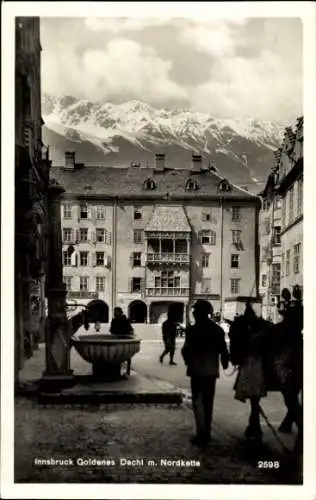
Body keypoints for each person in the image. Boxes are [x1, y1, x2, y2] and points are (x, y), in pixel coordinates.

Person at [181, 300, 229, 447]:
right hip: (211, 372)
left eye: (195, 311)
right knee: (208, 403)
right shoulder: (217, 330)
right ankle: (206, 432)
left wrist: (189, 362)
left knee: (198, 402)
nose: (194, 313)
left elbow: (185, 351)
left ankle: (200, 433)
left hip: (196, 371)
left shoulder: (192, 331)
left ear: (199, 313)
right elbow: (224, 351)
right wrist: (225, 363)